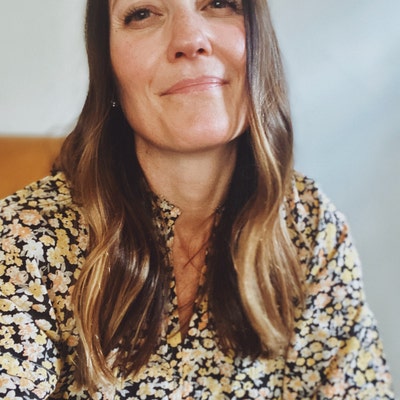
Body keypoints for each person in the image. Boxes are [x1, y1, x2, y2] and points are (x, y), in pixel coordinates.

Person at [0, 0, 395, 398]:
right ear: (108, 67)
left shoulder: (309, 224)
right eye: (142, 13)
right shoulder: (25, 237)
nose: (189, 40)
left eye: (219, 2)